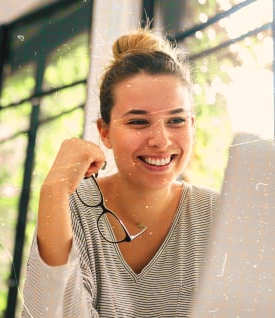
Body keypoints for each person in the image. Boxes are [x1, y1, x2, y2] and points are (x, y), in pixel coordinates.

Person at [21, 28, 219, 317]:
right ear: (105, 132)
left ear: (192, 125)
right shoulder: (74, 207)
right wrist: (53, 190)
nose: (160, 140)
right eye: (138, 121)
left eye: (176, 120)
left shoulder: (217, 214)